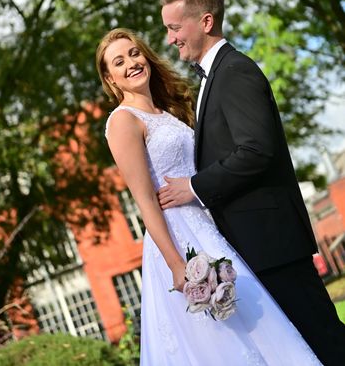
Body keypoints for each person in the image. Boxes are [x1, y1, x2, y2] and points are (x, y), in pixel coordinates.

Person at [96, 27, 322, 365]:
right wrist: (177, 266)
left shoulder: (167, 113)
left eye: (134, 53)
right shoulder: (123, 122)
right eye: (119, 61)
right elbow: (145, 201)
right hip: (178, 238)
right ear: (111, 79)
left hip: (210, 227)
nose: (131, 63)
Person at [158, 0, 345, 366]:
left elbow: (257, 151)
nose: (171, 39)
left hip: (272, 244)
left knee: (326, 343)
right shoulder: (215, 77)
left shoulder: (235, 72)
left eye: (175, 28)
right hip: (256, 247)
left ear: (206, 22)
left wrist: (194, 186)